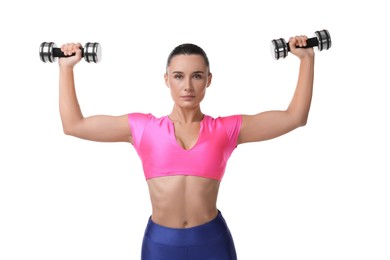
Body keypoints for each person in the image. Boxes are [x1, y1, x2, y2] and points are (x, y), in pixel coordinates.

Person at [58, 35, 314, 259]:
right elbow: (74, 125)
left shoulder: (226, 130)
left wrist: (307, 59)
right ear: (166, 79)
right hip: (160, 246)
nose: (188, 86)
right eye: (179, 76)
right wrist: (66, 67)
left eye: (197, 76)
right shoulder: (143, 128)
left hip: (212, 242)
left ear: (209, 80)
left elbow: (294, 117)